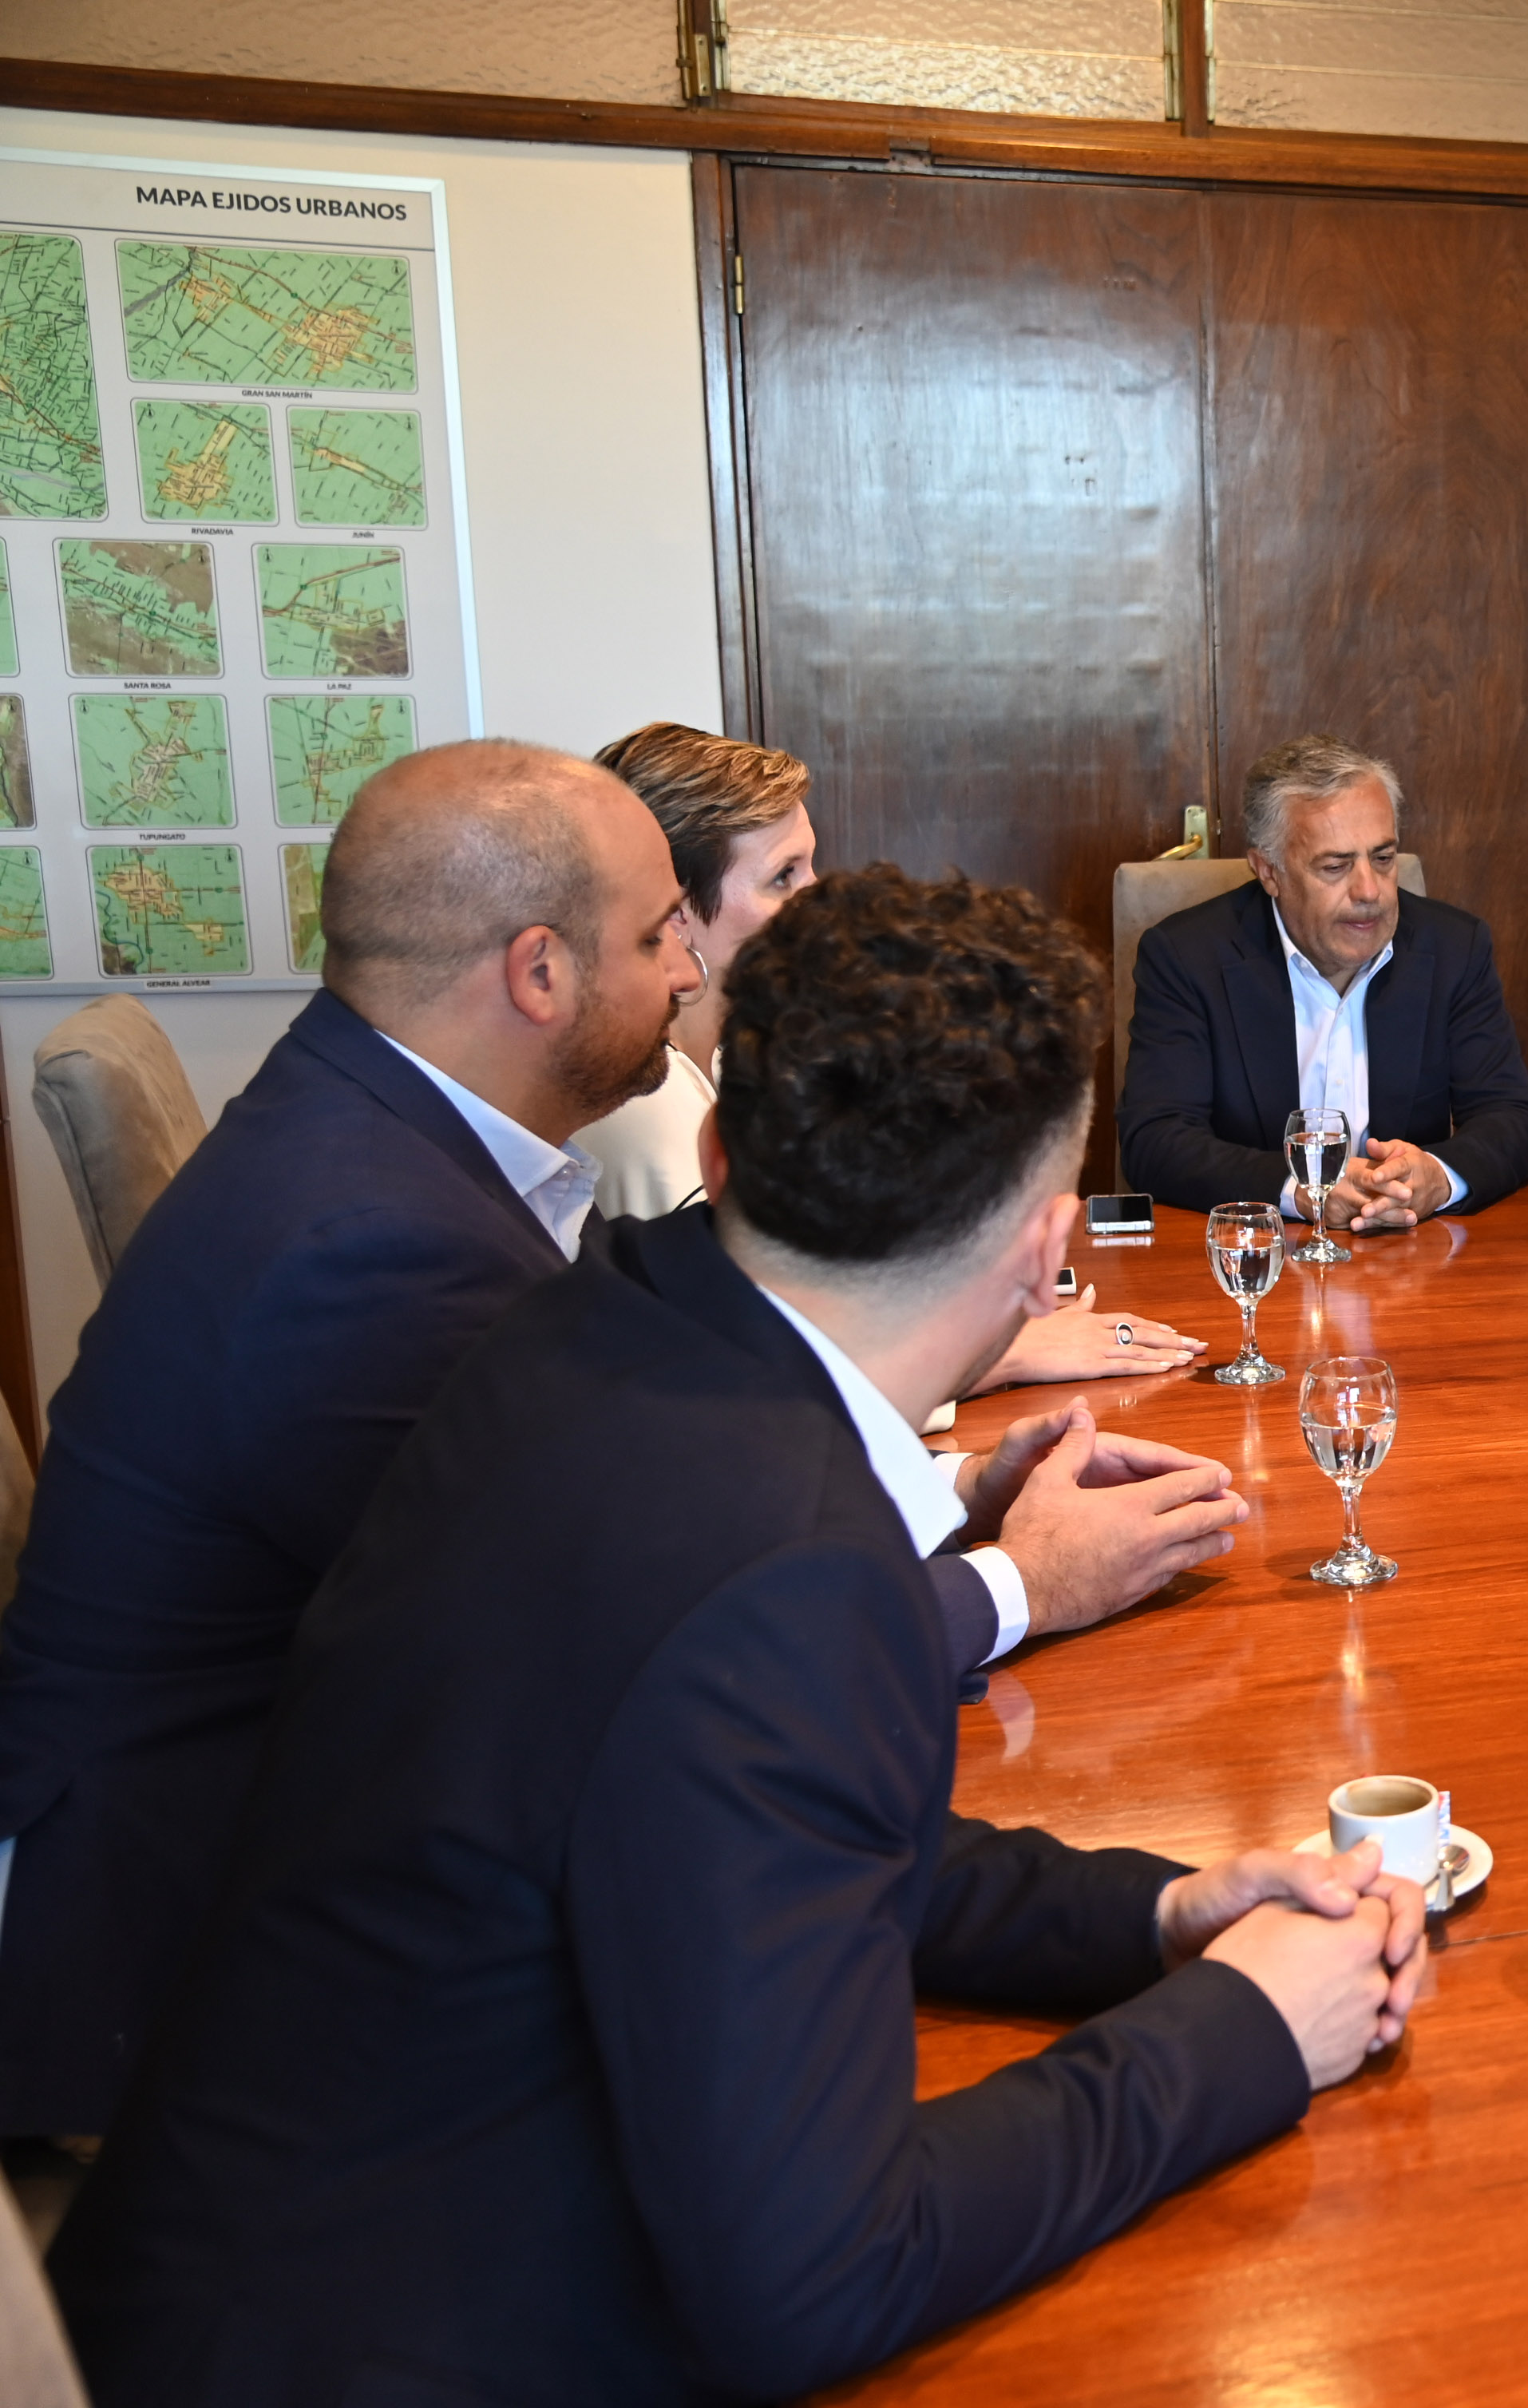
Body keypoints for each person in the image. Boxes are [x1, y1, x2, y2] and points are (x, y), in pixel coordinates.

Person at [51, 866, 1421, 2402]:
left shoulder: (602, 1319)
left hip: (236, 2244)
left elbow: (780, 1830)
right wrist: (1243, 2027)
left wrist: (1159, 1918)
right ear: (1047, 1248)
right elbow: (822, 2275)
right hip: (390, 2335)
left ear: (718, 1151)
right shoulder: (791, 1575)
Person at [0, 743, 1218, 2145]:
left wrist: (943, 1491)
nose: (692, 974)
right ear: (537, 974)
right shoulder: (370, 1249)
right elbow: (626, 1665)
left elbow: (619, 1557)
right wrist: (1022, 1586)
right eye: (656, 939)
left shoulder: (382, 1139)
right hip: (198, 1995)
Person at [581, 721, 1199, 1384]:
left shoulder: (745, 1049)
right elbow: (738, 1361)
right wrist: (995, 1356)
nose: (820, 893)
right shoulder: (641, 1093)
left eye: (811, 863)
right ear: (675, 906)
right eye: (783, 876)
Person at [1119, 735, 1528, 1227]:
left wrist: (1439, 1176)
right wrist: (1300, 1193)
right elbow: (1155, 1141)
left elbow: (1516, 1119)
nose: (1370, 891)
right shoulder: (1187, 957)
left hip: (1410, 1262)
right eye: (1335, 866)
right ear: (1269, 871)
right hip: (1257, 1261)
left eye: (1383, 858)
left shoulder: (1454, 947)